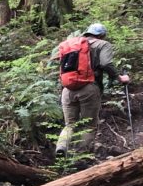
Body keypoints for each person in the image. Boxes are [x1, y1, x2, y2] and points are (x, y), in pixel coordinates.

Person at [56, 23, 131, 155]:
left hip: (68, 89)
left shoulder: (74, 44)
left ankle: (61, 148)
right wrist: (119, 78)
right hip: (89, 88)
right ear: (102, 35)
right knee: (89, 126)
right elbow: (106, 63)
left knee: (70, 124)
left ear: (87, 33)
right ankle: (79, 156)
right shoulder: (103, 44)